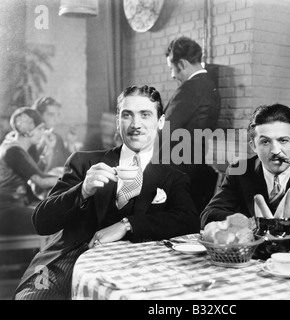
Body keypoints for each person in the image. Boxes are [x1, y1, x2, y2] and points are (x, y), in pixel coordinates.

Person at [13, 85, 200, 300]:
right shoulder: (83, 162)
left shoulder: (173, 177)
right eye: (127, 115)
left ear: (160, 122)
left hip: (134, 272)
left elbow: (189, 222)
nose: (136, 125)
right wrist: (82, 190)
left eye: (145, 115)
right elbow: (42, 222)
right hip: (64, 265)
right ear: (118, 121)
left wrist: (127, 224)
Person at [201, 103, 290, 241]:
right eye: (265, 142)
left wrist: (285, 227)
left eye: (283, 140)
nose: (275, 150)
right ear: (253, 146)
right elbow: (209, 215)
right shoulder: (239, 171)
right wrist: (249, 223)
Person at [162, 36, 221, 213]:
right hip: (195, 167)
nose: (172, 75)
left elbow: (166, 130)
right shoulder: (210, 86)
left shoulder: (190, 88)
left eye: (172, 68)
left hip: (176, 170)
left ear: (182, 64)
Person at [0, 107, 58, 235]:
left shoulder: (13, 146)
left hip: (14, 207)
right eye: (40, 129)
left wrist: (49, 149)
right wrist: (72, 177)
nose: (42, 133)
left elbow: (37, 172)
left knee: (54, 211)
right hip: (7, 211)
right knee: (55, 218)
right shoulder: (14, 151)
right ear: (29, 130)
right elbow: (42, 181)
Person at [30, 96, 78, 172]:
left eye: (58, 115)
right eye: (51, 114)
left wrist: (70, 143)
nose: (56, 120)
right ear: (39, 115)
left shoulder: (57, 138)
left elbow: (67, 166)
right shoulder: (32, 139)